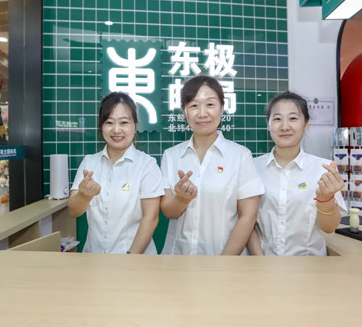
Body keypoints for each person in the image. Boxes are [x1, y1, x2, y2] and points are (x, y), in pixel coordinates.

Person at [160, 75, 265, 255]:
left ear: (222, 108)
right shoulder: (171, 156)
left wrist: (224, 262)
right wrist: (181, 198)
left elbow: (248, 217)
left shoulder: (241, 156)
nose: (202, 113)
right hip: (178, 258)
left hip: (225, 258)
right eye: (194, 105)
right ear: (184, 111)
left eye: (210, 104)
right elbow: (169, 212)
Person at [247, 91, 346, 256]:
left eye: (293, 118)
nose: (285, 126)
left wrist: (325, 199)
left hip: (310, 265)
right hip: (264, 264)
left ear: (306, 123)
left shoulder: (323, 169)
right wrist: (260, 260)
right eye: (277, 119)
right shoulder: (252, 167)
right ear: (268, 124)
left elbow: (329, 228)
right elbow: (247, 222)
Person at [68, 92, 163, 254]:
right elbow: (73, 211)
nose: (116, 130)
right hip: (94, 257)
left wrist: (130, 258)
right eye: (109, 122)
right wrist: (83, 195)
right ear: (101, 126)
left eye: (124, 122)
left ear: (136, 126)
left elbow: (151, 218)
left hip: (135, 258)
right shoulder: (89, 163)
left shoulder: (147, 165)